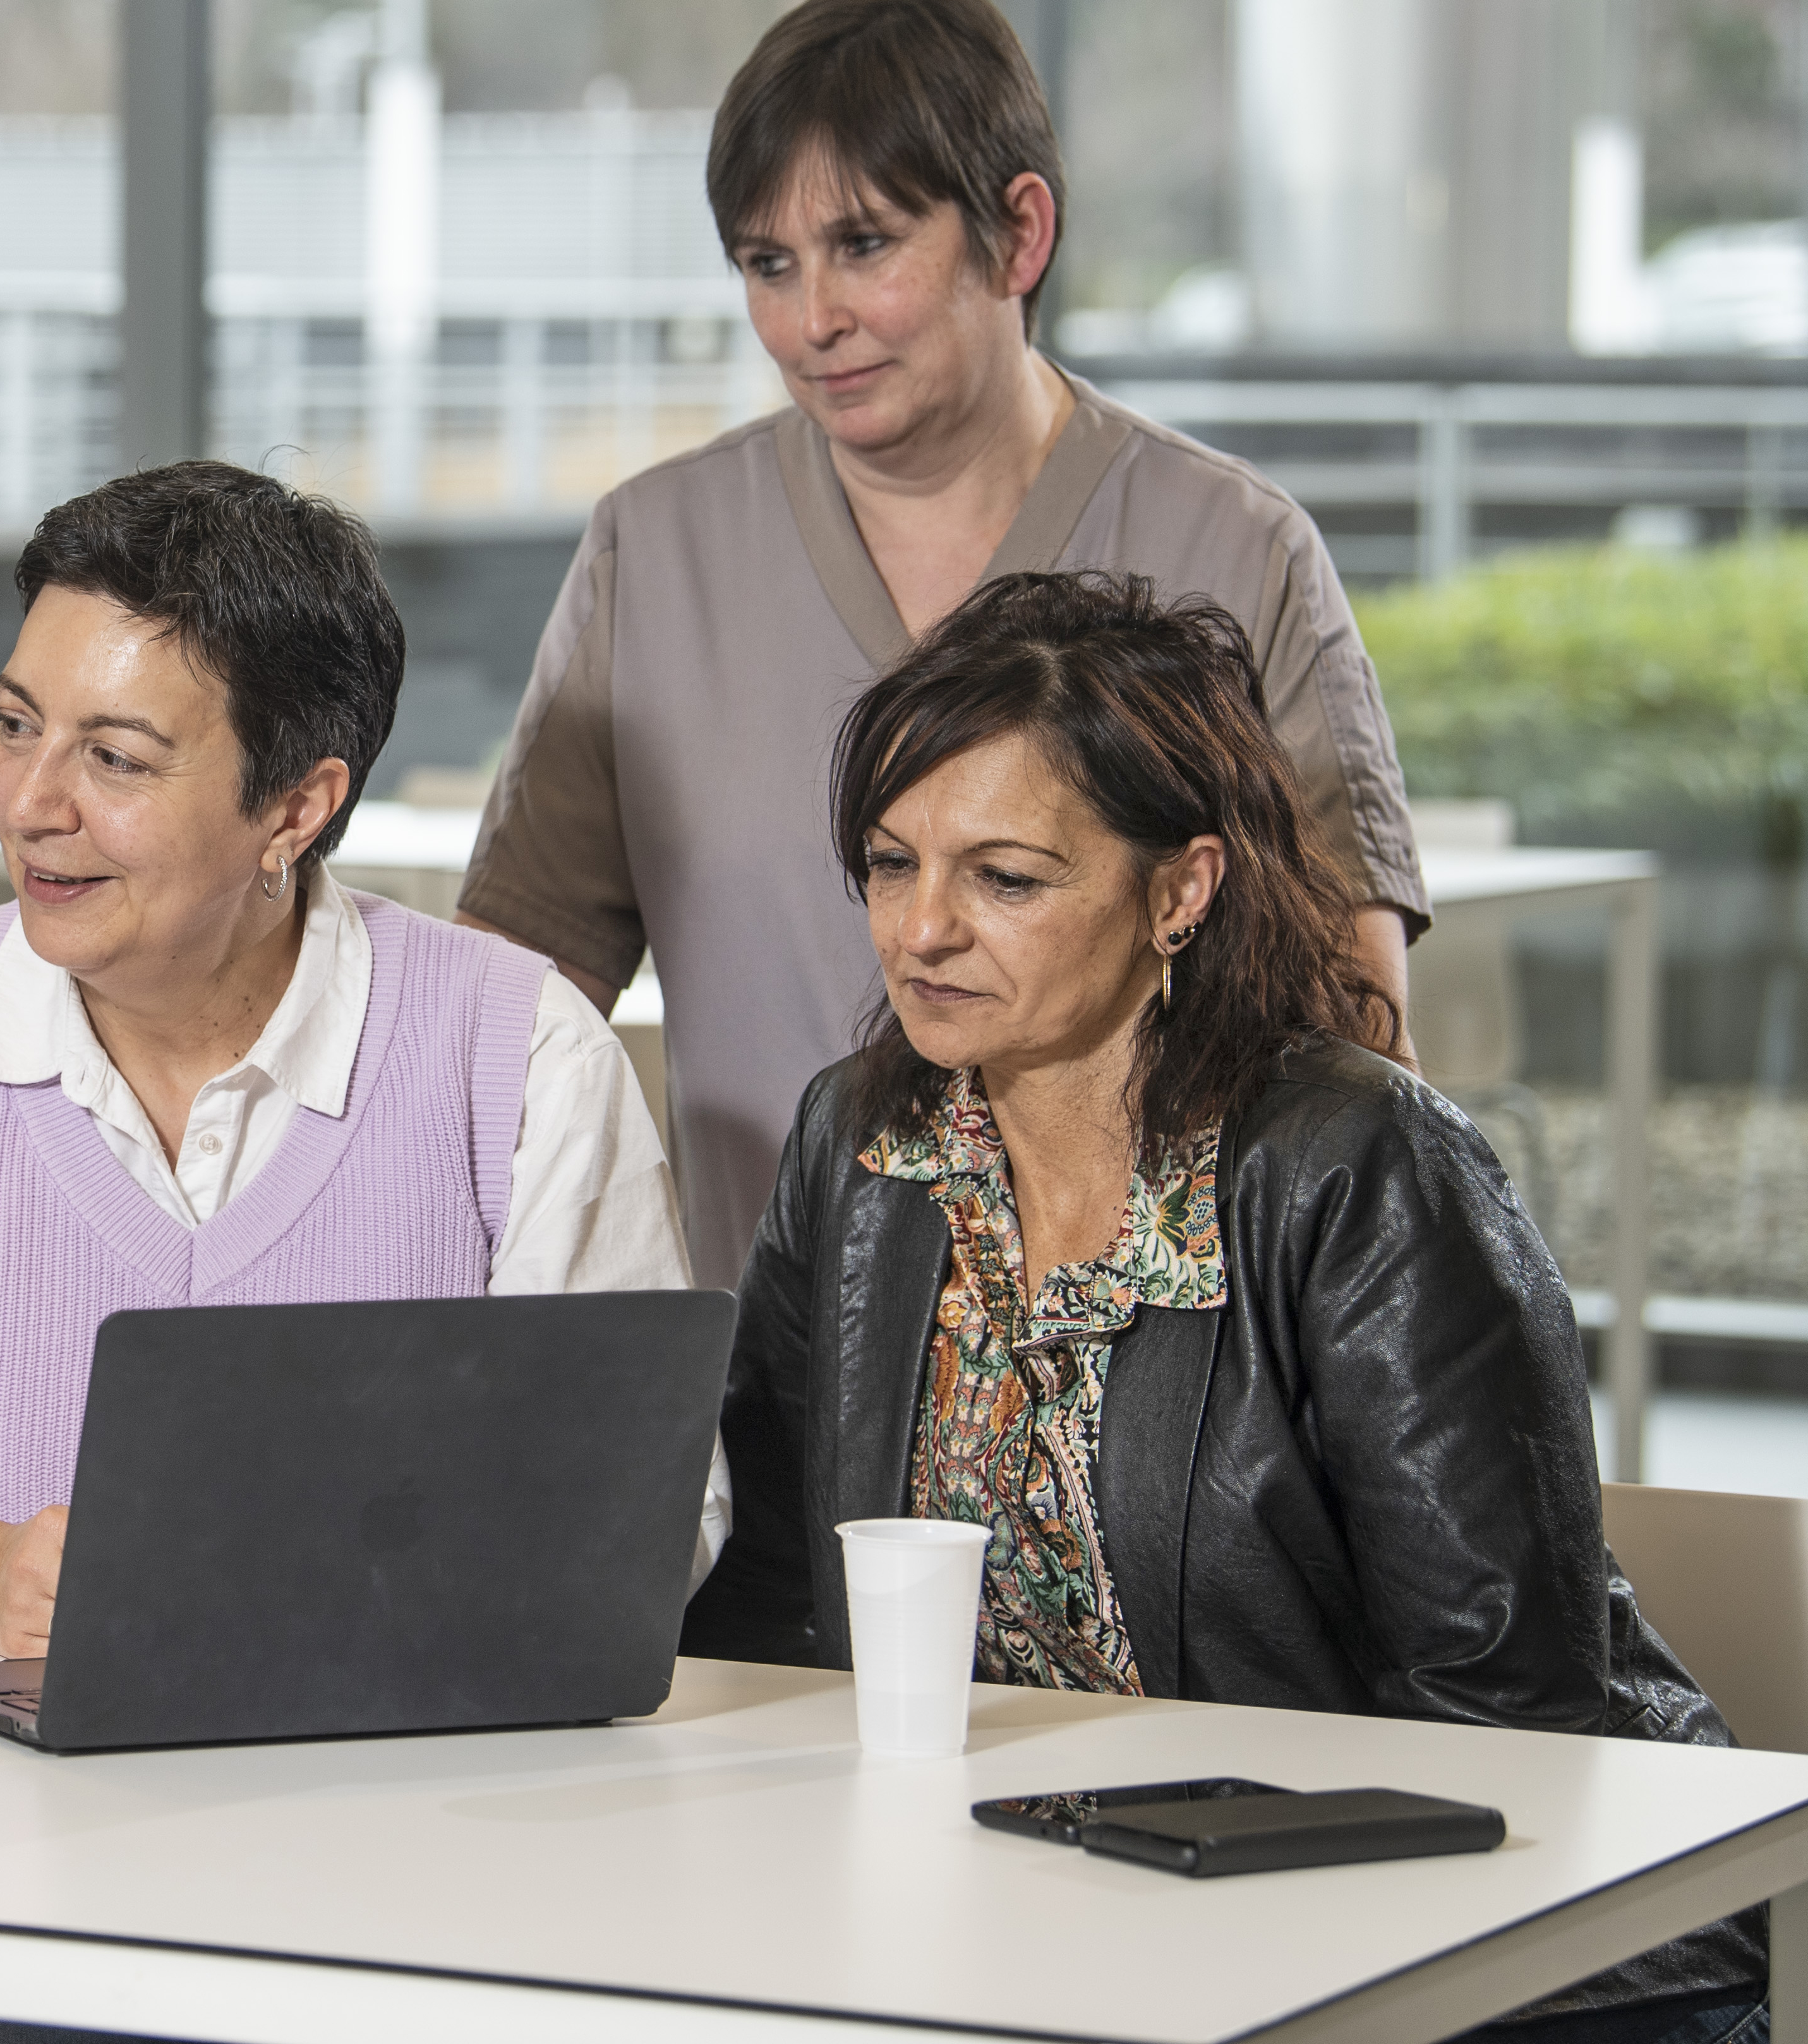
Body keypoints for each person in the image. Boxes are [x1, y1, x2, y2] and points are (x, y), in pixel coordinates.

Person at [685, 568, 1761, 2044]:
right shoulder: (864, 1143)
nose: (921, 928)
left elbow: (1507, 1719)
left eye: (1006, 877)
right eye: (888, 862)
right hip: (1049, 1923)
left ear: (1180, 889)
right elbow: (775, 1612)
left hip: (1483, 1946)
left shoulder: (1361, 1166)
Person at [458, 0, 1426, 1292]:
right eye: (768, 263)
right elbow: (512, 1039)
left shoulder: (1238, 550)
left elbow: (1352, 1041)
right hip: (781, 1397)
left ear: (1018, 233)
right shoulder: (653, 555)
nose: (814, 321)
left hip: (1150, 1408)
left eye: (865, 244)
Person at [0, 462, 721, 1663]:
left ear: (296, 808)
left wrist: (301, 1590)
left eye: (115, 758)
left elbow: (641, 1493)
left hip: (407, 1783)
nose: (29, 803)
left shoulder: (524, 1057)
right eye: (17, 727)